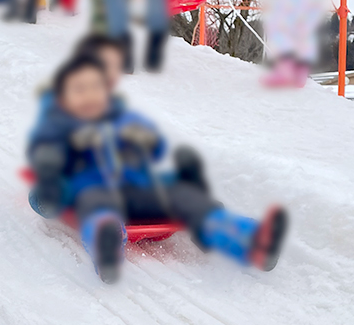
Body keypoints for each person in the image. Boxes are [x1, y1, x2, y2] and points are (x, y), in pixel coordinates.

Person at [27, 54, 287, 283]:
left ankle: (250, 240)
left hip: (137, 193)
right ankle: (106, 243)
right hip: (95, 196)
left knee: (184, 197)